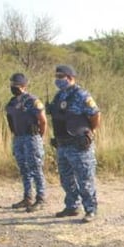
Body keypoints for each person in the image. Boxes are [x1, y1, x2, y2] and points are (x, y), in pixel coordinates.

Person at [47, 64, 101, 223]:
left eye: (61, 77)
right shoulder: (59, 96)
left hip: (79, 144)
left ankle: (90, 209)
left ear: (70, 77)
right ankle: (72, 206)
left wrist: (91, 130)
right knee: (66, 178)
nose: (58, 80)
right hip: (62, 144)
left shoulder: (81, 95)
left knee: (85, 179)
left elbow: (95, 115)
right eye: (56, 77)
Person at [5, 72, 48, 212]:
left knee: (35, 168)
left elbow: (43, 121)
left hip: (32, 137)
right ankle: (27, 197)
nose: (13, 87)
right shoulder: (12, 102)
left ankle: (41, 198)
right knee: (24, 169)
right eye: (12, 85)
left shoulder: (32, 100)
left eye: (16, 85)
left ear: (24, 86)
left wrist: (39, 137)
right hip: (18, 138)